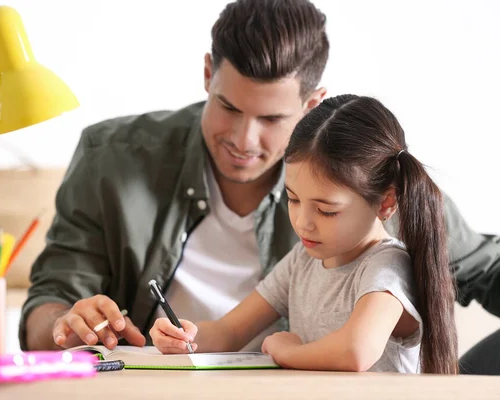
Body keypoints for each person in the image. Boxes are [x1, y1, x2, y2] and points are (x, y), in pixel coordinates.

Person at [20, 0, 500, 374]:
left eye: (271, 119)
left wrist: (284, 347)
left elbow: (483, 269)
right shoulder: (112, 158)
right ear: (208, 74)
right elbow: (51, 302)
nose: (242, 140)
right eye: (228, 107)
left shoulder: (367, 179)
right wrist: (69, 326)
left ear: (313, 103)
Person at [149, 94, 458, 374]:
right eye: (293, 199)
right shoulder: (303, 261)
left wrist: (289, 352)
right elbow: (229, 331)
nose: (303, 223)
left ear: (386, 202)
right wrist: (186, 336)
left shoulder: (387, 267)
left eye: (326, 211)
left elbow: (356, 351)